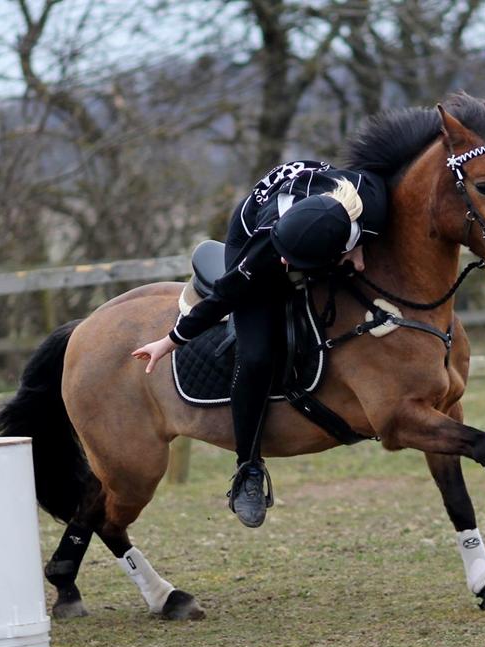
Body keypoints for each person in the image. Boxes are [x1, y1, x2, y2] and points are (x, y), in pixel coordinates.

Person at [133, 161, 388, 528]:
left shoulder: (374, 202)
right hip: (254, 231)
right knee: (256, 357)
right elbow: (222, 298)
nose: (286, 261)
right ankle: (247, 468)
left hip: (316, 214)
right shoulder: (268, 253)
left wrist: (359, 245)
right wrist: (169, 341)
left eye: (294, 259)